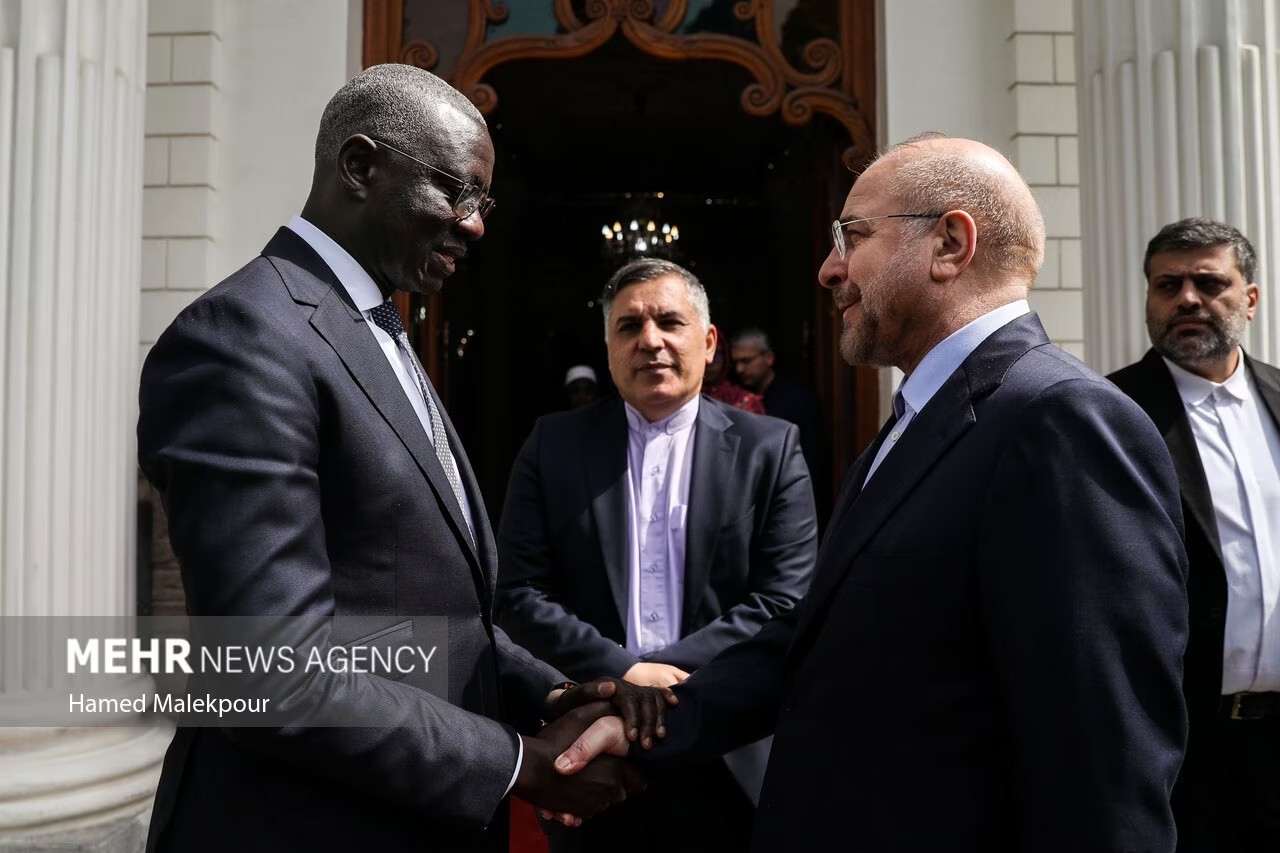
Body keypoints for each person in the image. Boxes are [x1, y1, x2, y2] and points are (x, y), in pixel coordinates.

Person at [553, 134, 1190, 852]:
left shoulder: (1062, 419)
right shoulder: (917, 422)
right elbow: (817, 641)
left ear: (950, 244)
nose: (828, 269)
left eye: (851, 236)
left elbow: (1103, 752)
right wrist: (645, 723)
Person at [137, 64, 668, 853]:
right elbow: (270, 667)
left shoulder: (378, 325)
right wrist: (520, 762)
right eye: (456, 190)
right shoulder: (243, 338)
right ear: (359, 166)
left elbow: (424, 611)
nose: (476, 223)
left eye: (483, 202)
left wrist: (550, 690)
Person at [496, 258, 817, 852]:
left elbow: (784, 601)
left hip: (726, 750)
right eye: (629, 326)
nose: (650, 340)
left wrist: (653, 683)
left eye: (670, 321)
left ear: (709, 340)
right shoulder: (552, 445)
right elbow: (518, 595)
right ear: (608, 346)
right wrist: (621, 672)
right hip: (590, 750)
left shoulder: (771, 449)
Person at [1108, 218, 1280, 851]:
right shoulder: (1106, 413)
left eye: (1210, 283)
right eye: (1168, 285)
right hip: (1178, 748)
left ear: (1251, 299)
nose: (1187, 299)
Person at [702, 336, 765, 413]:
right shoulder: (686, 398)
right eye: (701, 355)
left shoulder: (744, 401)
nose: (709, 362)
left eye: (717, 356)